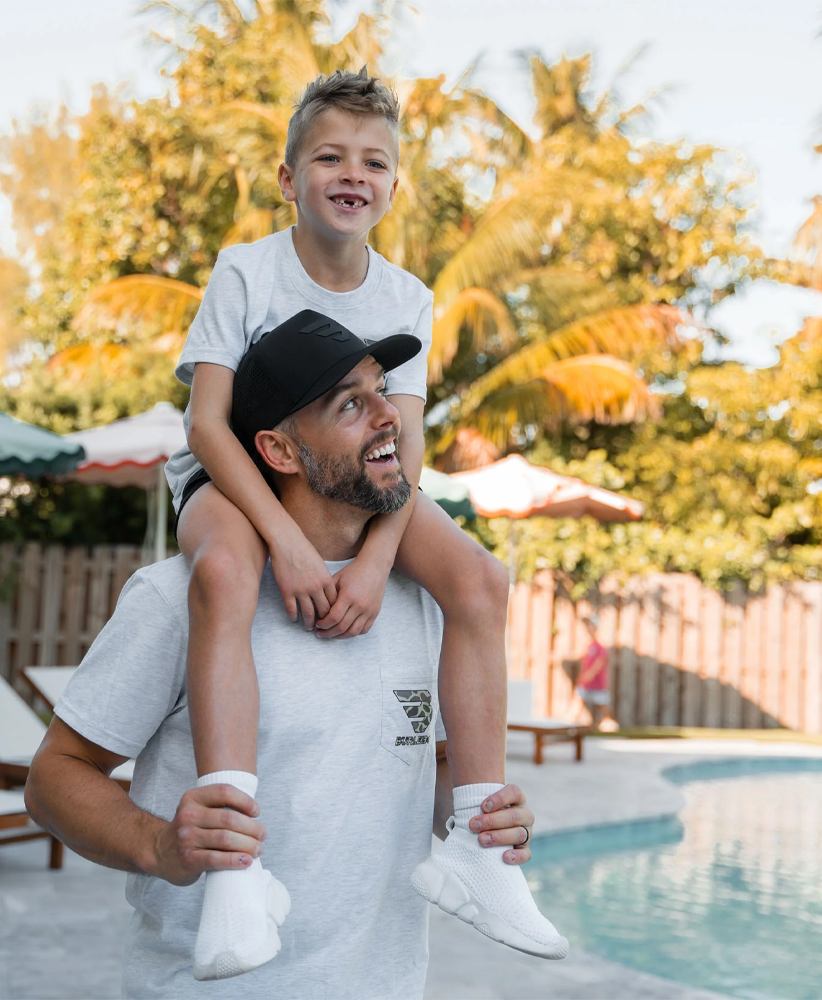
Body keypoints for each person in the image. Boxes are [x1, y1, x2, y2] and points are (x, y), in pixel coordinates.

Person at [25, 320, 567, 999]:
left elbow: (414, 766)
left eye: (380, 389)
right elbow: (53, 778)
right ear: (279, 450)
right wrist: (158, 845)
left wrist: (477, 817)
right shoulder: (179, 599)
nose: (388, 416)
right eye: (350, 404)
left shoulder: (430, 604)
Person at [161, 68, 521, 977]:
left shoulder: (406, 295)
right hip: (232, 471)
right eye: (329, 157)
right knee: (223, 573)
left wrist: (371, 563)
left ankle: (476, 845)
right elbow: (208, 425)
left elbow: (405, 442)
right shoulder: (246, 268)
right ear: (290, 179)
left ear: (394, 186)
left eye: (374, 161)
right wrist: (282, 542)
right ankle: (236, 871)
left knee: (481, 580)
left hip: (363, 484)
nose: (352, 173)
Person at [574, 615, 619, 732]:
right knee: (577, 702)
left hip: (598, 683)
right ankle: (569, 724)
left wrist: (589, 675)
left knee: (604, 707)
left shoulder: (600, 647)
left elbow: (599, 662)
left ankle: (609, 724)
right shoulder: (588, 646)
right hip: (586, 684)